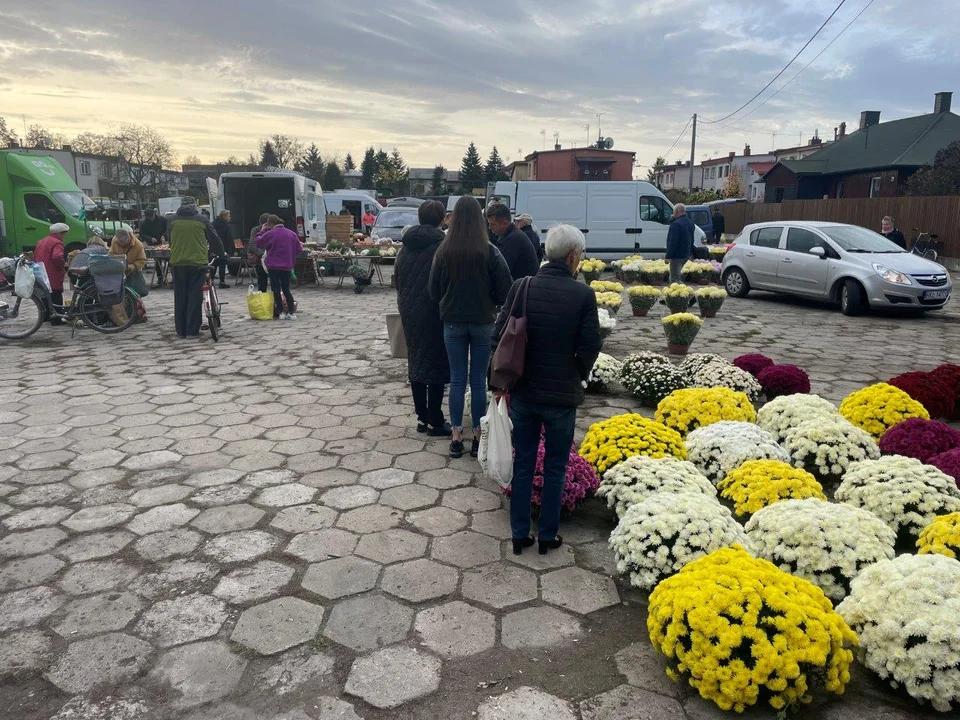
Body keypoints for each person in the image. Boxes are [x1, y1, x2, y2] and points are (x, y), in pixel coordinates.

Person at [493, 224, 601, 556]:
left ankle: (518, 534)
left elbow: (498, 335)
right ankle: (548, 536)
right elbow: (589, 347)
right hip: (561, 397)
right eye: (580, 255)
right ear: (572, 257)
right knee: (556, 465)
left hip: (523, 393)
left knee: (523, 462)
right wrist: (577, 375)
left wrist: (497, 383)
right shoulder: (583, 295)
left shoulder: (522, 286)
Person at [430, 196, 513, 459]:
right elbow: (506, 291)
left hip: (452, 321)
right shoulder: (490, 250)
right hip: (483, 322)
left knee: (456, 379)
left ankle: (456, 435)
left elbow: (433, 290)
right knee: (478, 381)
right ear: (480, 219)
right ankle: (478, 435)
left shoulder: (443, 251)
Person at [395, 200, 451, 436]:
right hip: (434, 309)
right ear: (441, 220)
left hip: (409, 309)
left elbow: (396, 277)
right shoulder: (443, 245)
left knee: (416, 360)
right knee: (436, 363)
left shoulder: (405, 246)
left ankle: (421, 417)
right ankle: (435, 420)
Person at [168, 204, 225, 338]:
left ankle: (181, 330)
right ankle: (192, 330)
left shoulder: (172, 220)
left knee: (180, 296)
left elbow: (170, 240)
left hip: (178, 262)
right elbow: (214, 238)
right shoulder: (202, 219)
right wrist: (221, 253)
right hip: (198, 262)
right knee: (195, 296)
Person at [256, 214, 302, 320]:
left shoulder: (270, 234)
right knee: (286, 289)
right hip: (287, 266)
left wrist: (262, 231)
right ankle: (291, 312)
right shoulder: (292, 234)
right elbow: (299, 249)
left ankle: (281, 311)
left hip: (273, 266)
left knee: (276, 289)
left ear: (270, 223)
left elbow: (258, 242)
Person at [487, 203, 539, 281]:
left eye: (493, 224)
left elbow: (500, 270)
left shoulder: (513, 239)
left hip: (521, 289)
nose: (490, 228)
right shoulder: (510, 236)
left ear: (505, 223)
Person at [33, 222, 68, 312]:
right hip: (53, 272)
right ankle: (56, 318)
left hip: (41, 271)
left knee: (45, 293)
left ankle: (45, 316)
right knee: (56, 294)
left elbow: (35, 256)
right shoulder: (57, 243)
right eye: (64, 234)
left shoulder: (41, 241)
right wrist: (63, 265)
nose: (64, 236)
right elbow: (57, 256)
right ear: (60, 233)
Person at [665, 203, 695, 284]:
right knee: (676, 277)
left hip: (676, 256)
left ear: (677, 212)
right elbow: (692, 240)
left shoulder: (675, 224)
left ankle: (682, 295)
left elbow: (673, 242)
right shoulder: (691, 223)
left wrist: (668, 256)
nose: (673, 214)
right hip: (685, 255)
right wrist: (690, 253)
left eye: (674, 212)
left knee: (674, 279)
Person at [211, 210, 235, 289]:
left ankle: (211, 281)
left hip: (213, 248)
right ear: (224, 217)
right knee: (222, 265)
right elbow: (229, 238)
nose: (230, 218)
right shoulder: (226, 226)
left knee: (213, 264)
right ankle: (222, 282)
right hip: (223, 248)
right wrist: (232, 250)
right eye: (228, 216)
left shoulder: (213, 224)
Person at [247, 213, 270, 292]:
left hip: (271, 259)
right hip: (261, 260)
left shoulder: (272, 230)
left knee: (274, 283)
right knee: (262, 282)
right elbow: (252, 245)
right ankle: (263, 300)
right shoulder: (256, 230)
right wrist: (263, 254)